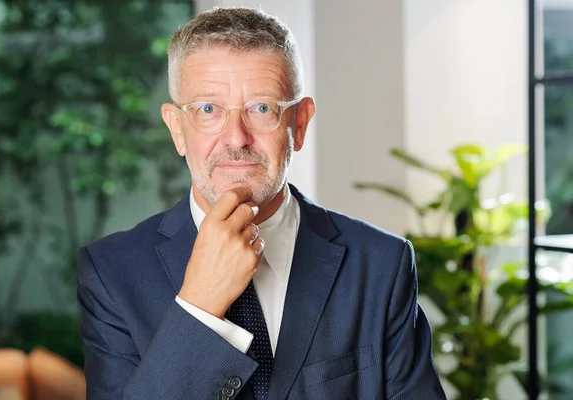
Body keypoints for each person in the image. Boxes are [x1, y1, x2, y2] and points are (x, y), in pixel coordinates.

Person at [76, 7, 446, 400]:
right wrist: (199, 306)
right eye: (208, 109)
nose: (236, 138)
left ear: (299, 124)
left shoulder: (380, 264)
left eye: (262, 108)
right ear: (177, 129)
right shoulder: (111, 274)